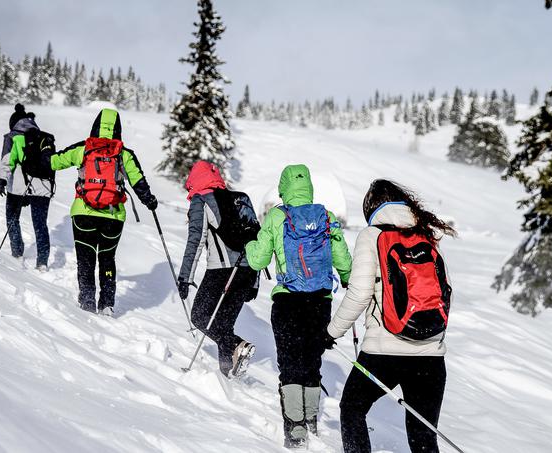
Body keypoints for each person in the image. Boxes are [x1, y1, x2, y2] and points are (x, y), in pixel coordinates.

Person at [326, 179, 456, 453]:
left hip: (384, 352)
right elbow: (445, 292)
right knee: (423, 436)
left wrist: (331, 332)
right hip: (431, 356)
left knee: (352, 407)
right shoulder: (425, 233)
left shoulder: (372, 235)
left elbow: (360, 292)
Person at [245, 164, 352, 449]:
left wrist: (249, 246)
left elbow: (257, 261)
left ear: (283, 186)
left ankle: (294, 428)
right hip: (320, 301)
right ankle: (311, 418)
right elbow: (343, 259)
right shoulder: (326, 216)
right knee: (312, 361)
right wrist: (346, 279)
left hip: (288, 300)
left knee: (290, 362)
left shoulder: (278, 217)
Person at [49, 108, 157, 315]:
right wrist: (149, 201)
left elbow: (54, 162)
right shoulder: (124, 154)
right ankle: (107, 304)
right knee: (107, 258)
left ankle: (87, 301)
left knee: (86, 259)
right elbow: (138, 182)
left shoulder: (83, 149)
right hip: (113, 215)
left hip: (83, 213)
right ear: (118, 129)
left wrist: (42, 154)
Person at [177, 160, 259, 378]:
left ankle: (237, 345)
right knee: (224, 324)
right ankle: (227, 374)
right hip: (248, 270)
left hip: (221, 271)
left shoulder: (201, 200)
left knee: (201, 317)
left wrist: (184, 278)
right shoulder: (240, 199)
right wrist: (255, 282)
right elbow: (256, 241)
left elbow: (195, 240)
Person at [0, 104, 53, 271]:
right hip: (43, 188)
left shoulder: (13, 137)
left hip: (19, 187)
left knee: (12, 217)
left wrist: (1, 179)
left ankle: (17, 252)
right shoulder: (44, 138)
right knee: (40, 223)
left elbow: (7, 160)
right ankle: (42, 261)